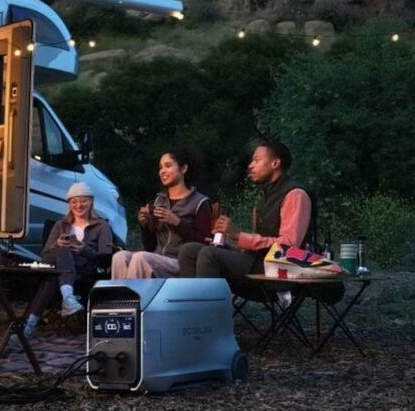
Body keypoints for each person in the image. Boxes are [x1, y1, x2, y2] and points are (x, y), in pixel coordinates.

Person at [178, 140, 311, 286]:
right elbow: (257, 244)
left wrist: (239, 235)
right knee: (189, 250)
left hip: (279, 268)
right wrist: (229, 241)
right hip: (256, 261)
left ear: (275, 163)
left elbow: (288, 246)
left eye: (257, 160)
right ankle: (192, 305)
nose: (250, 166)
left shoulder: (294, 194)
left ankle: (209, 307)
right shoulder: (265, 197)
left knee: (209, 255)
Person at [22, 181, 113, 338]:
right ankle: (68, 298)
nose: (79, 205)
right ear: (69, 204)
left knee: (51, 279)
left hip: (82, 271)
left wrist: (84, 249)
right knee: (61, 247)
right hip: (55, 263)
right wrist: (57, 245)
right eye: (74, 201)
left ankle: (29, 325)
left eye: (83, 200)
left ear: (91, 202)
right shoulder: (61, 225)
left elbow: (105, 259)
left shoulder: (101, 226)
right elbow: (45, 255)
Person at [111, 147, 212, 279]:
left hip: (181, 264)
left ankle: (136, 299)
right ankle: (119, 299)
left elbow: (204, 245)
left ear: (183, 169)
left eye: (168, 166)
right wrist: (145, 225)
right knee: (120, 257)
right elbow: (150, 246)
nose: (162, 171)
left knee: (142, 258)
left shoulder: (200, 202)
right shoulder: (158, 202)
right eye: (160, 167)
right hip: (157, 258)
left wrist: (177, 222)